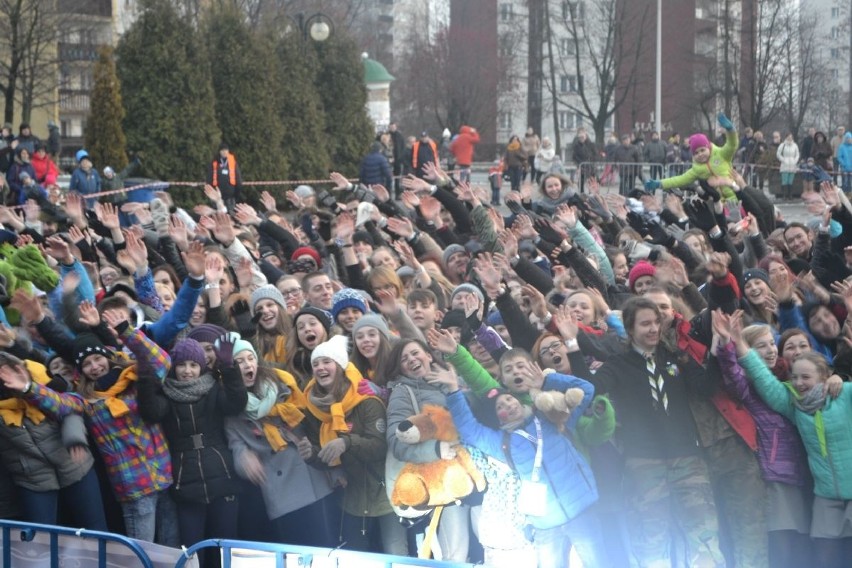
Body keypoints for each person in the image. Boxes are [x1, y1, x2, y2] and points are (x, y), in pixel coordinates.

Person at [592, 297, 725, 567]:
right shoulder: (618, 364)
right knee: (652, 540)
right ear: (630, 329)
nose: (653, 329)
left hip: (687, 458)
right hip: (644, 463)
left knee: (705, 536)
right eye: (645, 324)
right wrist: (572, 346)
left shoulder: (676, 357)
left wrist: (717, 347)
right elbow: (591, 388)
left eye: (656, 322)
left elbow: (707, 387)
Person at [726, 311, 852, 568]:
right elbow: (764, 380)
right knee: (823, 557)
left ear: (824, 376)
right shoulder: (794, 404)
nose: (799, 382)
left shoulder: (845, 394)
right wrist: (739, 342)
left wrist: (843, 375)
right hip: (826, 496)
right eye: (795, 377)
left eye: (806, 377)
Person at [136, 335, 247, 567]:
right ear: (174, 367)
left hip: (222, 477)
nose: (187, 371)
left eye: (194, 365)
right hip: (185, 483)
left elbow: (236, 403)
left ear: (202, 367)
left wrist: (228, 368)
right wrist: (145, 379)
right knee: (192, 551)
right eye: (182, 365)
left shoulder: (214, 389)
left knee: (226, 548)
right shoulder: (166, 393)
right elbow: (151, 412)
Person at [299, 335, 407, 554]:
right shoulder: (313, 407)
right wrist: (312, 455)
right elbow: (328, 459)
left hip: (386, 495)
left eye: (326, 362)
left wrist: (346, 443)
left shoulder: (366, 400)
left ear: (340, 366)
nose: (320, 367)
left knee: (397, 556)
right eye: (316, 364)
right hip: (352, 500)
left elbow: (380, 447)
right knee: (355, 559)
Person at [224, 339, 337, 546]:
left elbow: (313, 427)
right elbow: (236, 447)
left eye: (251, 358)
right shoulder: (232, 411)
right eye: (239, 361)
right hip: (282, 490)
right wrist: (244, 459)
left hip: (312, 476)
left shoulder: (283, 386)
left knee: (327, 549)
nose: (248, 365)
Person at [0, 353, 107, 530]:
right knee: (41, 541)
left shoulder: (42, 379)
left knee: (96, 532)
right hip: (32, 479)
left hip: (74, 465)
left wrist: (29, 389)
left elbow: (74, 407)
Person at [207, 142, 242, 213]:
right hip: (217, 196)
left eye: (226, 150)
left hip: (230, 196)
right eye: (222, 150)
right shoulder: (214, 162)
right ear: (219, 151)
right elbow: (209, 178)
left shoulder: (233, 162)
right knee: (218, 215)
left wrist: (237, 193)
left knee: (231, 216)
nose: (224, 152)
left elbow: (238, 179)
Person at [572, 128, 598, 193]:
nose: (581, 138)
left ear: (585, 135)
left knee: (591, 181)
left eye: (582, 136)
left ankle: (592, 193)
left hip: (590, 166)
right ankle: (581, 194)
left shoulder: (591, 144)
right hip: (581, 166)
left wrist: (592, 161)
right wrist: (579, 164)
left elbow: (595, 154)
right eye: (580, 137)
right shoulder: (576, 146)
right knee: (581, 181)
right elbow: (574, 157)